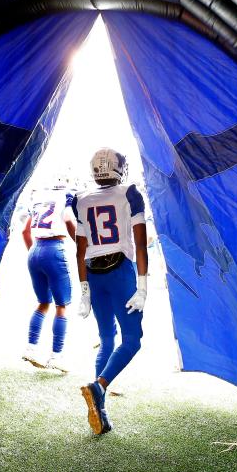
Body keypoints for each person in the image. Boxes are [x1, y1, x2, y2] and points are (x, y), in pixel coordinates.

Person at [74, 148, 148, 435]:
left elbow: (80, 249)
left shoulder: (80, 199)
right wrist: (142, 287)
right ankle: (98, 387)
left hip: (93, 273)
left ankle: (99, 410)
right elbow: (140, 245)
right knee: (132, 340)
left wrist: (84, 290)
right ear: (120, 169)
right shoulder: (129, 193)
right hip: (120, 271)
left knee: (106, 339)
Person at [21, 174, 77, 372]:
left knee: (43, 303)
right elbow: (69, 220)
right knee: (61, 306)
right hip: (54, 249)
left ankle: (31, 348)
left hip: (34, 249)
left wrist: (34, 253)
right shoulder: (67, 196)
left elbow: (24, 232)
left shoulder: (38, 197)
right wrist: (81, 242)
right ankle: (56, 356)